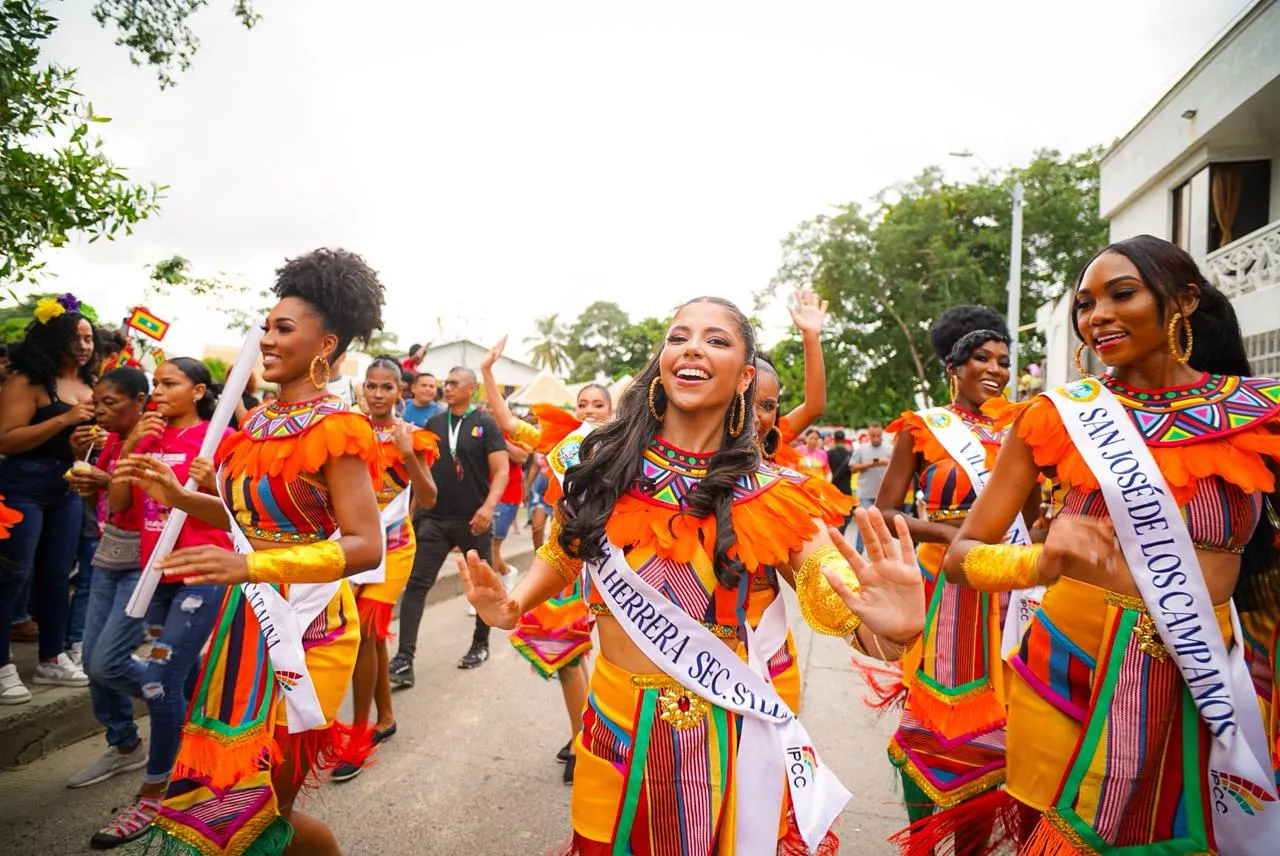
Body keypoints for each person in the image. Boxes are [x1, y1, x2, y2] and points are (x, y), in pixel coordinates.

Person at [462, 296, 925, 854]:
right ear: (662, 361)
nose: (693, 348)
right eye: (679, 337)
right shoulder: (603, 463)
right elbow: (566, 549)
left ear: (745, 377)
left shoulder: (772, 495)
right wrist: (515, 603)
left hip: (718, 737)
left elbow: (834, 591)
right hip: (610, 722)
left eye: (716, 340)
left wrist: (894, 633)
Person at [930, 236, 1280, 854]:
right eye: (1086, 305)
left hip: (1207, 678)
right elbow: (962, 558)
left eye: (1122, 295)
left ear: (1185, 300)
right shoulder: (1057, 415)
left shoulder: (1261, 412)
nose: (1099, 317)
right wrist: (1040, 560)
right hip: (1070, 673)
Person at [119, 247, 388, 856]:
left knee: (265, 815)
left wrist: (250, 566)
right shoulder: (260, 423)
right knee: (223, 804)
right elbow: (249, 524)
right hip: (245, 624)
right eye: (266, 327)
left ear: (325, 345)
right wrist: (179, 498)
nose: (265, 339)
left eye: (282, 329)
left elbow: (366, 546)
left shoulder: (338, 429)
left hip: (308, 629)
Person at [870, 306, 1036, 852]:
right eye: (982, 358)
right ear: (954, 367)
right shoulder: (922, 429)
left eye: (1004, 362)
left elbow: (1033, 518)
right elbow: (885, 511)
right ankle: (922, 838)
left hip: (1006, 589)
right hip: (944, 590)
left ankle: (973, 844)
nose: (995, 370)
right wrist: (950, 533)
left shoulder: (1024, 427)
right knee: (934, 720)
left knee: (1001, 726)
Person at [68, 360, 232, 848]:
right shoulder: (146, 438)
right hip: (154, 578)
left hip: (200, 576)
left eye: (169, 384)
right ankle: (200, 748)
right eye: (155, 383)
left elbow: (237, 512)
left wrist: (211, 482)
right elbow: (119, 504)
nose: (157, 391)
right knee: (169, 676)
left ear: (198, 391)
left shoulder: (217, 439)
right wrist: (133, 447)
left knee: (159, 681)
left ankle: (156, 793)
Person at [482, 335, 614, 784]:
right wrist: (487, 372)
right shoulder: (560, 442)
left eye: (598, 404)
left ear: (612, 411)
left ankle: (588, 738)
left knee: (597, 660)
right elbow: (506, 421)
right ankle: (583, 735)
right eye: (583, 404)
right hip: (564, 565)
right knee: (568, 656)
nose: (589, 410)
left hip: (608, 570)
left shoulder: (627, 447)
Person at [332, 357, 438, 783]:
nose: (378, 394)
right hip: (353, 543)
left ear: (400, 391)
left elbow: (428, 498)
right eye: (371, 386)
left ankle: (358, 735)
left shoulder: (413, 437)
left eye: (386, 387)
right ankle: (386, 717)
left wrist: (408, 453)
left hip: (393, 548)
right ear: (363, 389)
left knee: (363, 632)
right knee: (371, 638)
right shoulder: (346, 431)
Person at [0, 293, 96, 703]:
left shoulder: (88, 385)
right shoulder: (26, 382)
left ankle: (51, 657)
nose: (85, 346)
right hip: (22, 484)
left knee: (57, 576)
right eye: (76, 338)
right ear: (52, 339)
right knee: (13, 574)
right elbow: (7, 439)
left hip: (67, 486)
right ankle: (2, 664)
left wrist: (90, 442)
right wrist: (66, 418)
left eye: (89, 338)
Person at [388, 365, 509, 682]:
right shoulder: (435, 423)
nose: (448, 387)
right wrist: (412, 512)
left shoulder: (484, 423)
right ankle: (404, 659)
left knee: (483, 585)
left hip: (474, 521)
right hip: (435, 519)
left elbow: (502, 470)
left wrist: (488, 507)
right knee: (417, 585)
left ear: (470, 388)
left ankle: (480, 645)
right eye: (447, 382)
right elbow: (423, 471)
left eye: (454, 383)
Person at [755, 289, 828, 470]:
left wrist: (811, 336)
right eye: (744, 402)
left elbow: (813, 407)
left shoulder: (772, 433)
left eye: (767, 406)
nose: (755, 417)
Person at [849, 422, 893, 551]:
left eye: (878, 436)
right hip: (865, 493)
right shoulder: (861, 449)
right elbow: (852, 468)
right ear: (868, 435)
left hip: (883, 494)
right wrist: (868, 464)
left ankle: (879, 552)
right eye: (873, 436)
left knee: (880, 524)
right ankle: (859, 549)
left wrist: (886, 463)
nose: (876, 439)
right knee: (865, 521)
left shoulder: (890, 449)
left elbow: (898, 468)